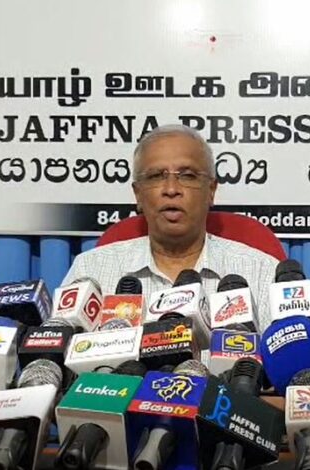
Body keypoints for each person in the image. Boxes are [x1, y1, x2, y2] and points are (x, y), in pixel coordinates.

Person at [62, 124, 279, 330]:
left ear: (211, 190)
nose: (171, 189)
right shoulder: (91, 270)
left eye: (188, 176)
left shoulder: (261, 272)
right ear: (138, 194)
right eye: (156, 176)